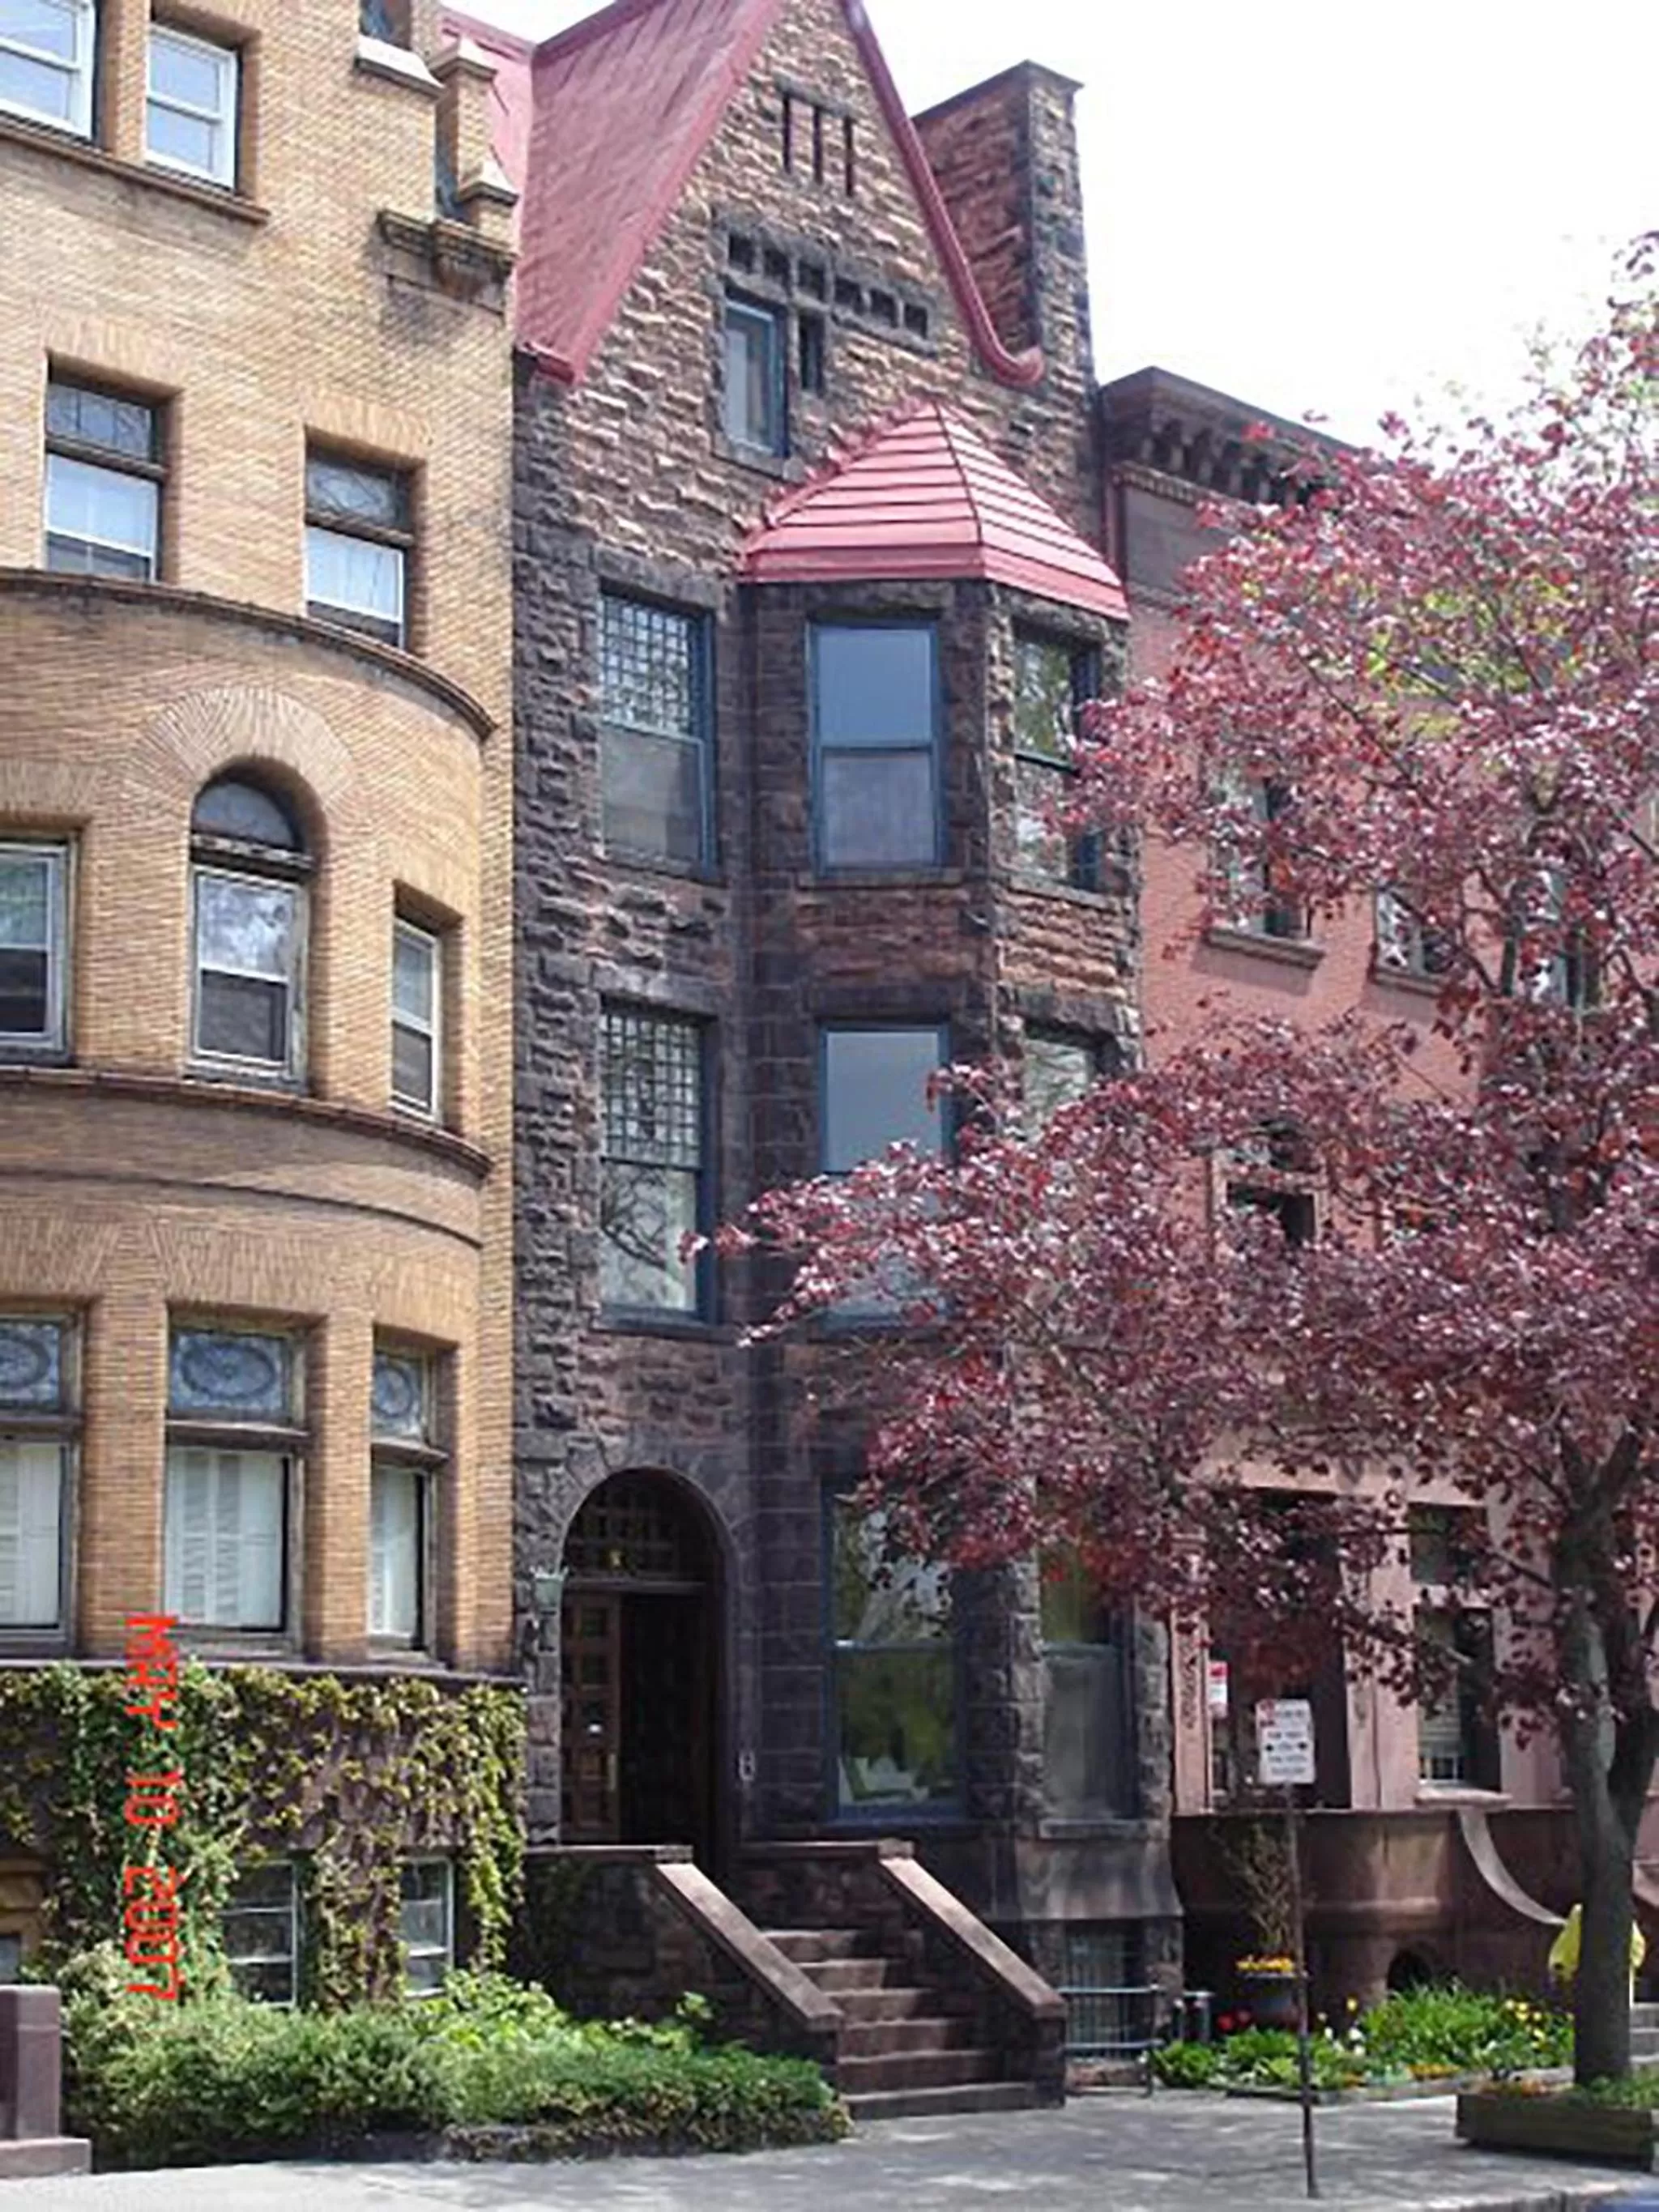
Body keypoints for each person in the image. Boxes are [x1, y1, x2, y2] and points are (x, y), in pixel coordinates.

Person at [1547, 1903, 1647, 2001]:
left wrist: (1564, 1972)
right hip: (1617, 1988)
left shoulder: (1581, 1913)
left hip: (1587, 1984)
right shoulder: (1621, 1912)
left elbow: (1567, 1949)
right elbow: (1637, 1949)